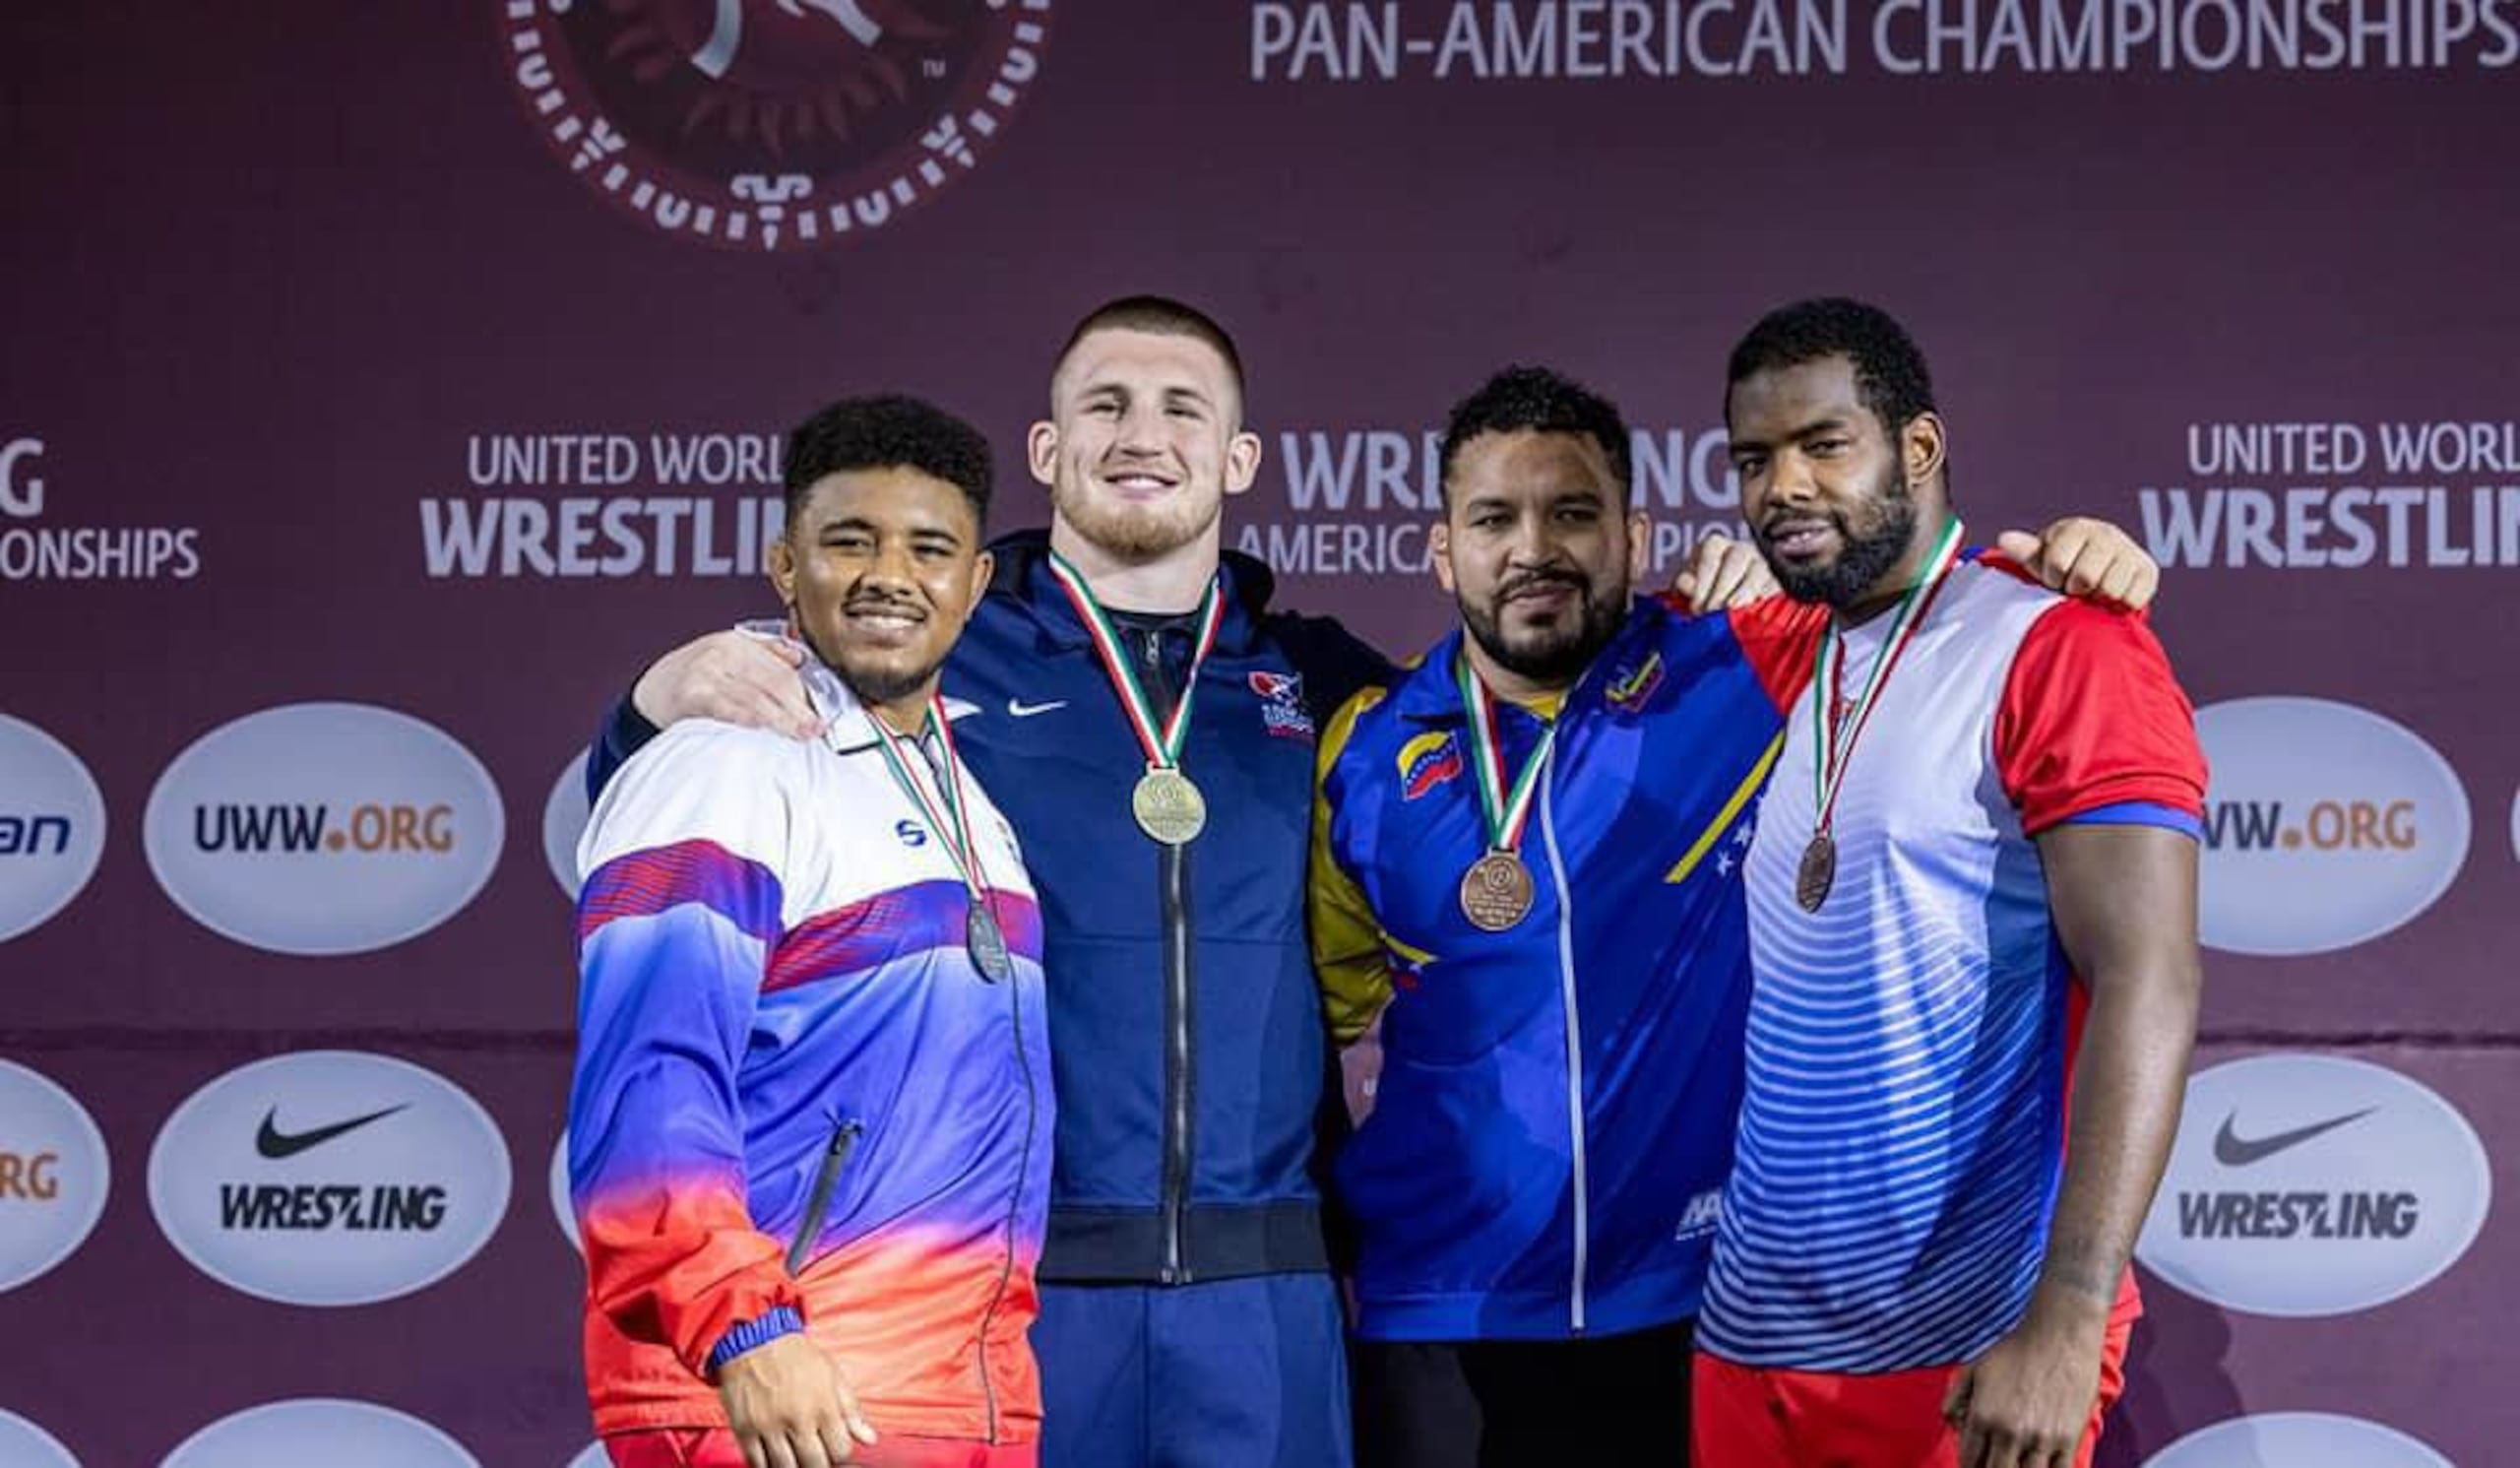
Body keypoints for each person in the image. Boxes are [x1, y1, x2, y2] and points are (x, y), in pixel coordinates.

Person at [1306, 366, 2163, 1468]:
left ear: (1636, 532)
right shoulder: (1362, 753)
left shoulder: (1742, 666)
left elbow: (1929, 612)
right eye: (1493, 519)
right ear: (1439, 550)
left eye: (1574, 513)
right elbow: (1327, 1008)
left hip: (1684, 1307)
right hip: (1437, 1308)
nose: (1535, 549)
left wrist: (2067, 560)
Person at [592, 297, 1392, 1468]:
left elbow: (1517, 746)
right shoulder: (924, 642)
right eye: (1104, 404)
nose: (1140, 434)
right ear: (1046, 448)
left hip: (1263, 1289)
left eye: (1182, 408)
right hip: (1006, 1290)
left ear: (1239, 457)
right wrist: (650, 699)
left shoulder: (1319, 681)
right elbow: (687, 817)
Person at [1691, 298, 2206, 1468]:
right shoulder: (1777, 649)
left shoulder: (2059, 645)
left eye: (1824, 445)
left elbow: (2150, 978)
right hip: (1748, 1337)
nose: (1783, 487)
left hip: (1971, 1336)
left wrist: (2069, 1320)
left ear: (1917, 449)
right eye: (1753, 460)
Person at [569, 394, 1049, 1468]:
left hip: (946, 1395)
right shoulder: (721, 763)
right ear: (786, 567)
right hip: (778, 1390)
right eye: (849, 541)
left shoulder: (966, 798)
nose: (890, 575)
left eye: (929, 548)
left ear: (974, 587)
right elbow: (651, 1083)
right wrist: (744, 1329)